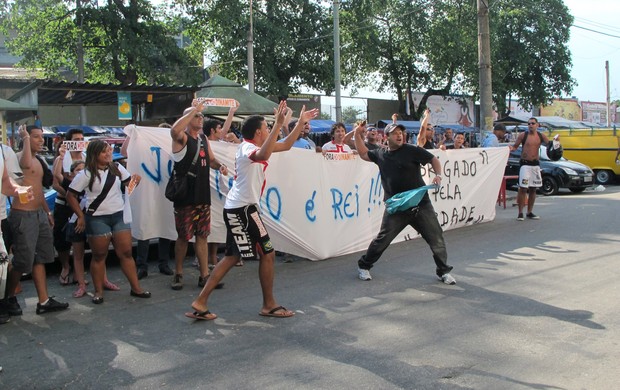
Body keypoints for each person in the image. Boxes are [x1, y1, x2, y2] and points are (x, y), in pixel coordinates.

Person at [188, 102, 319, 320]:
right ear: (258, 132)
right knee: (266, 252)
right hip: (243, 209)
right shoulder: (248, 148)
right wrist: (278, 125)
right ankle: (268, 304)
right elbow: (264, 155)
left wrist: (301, 122)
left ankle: (201, 301)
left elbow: (286, 145)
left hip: (240, 207)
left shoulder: (252, 146)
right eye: (266, 129)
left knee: (232, 256)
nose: (269, 132)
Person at [354, 122, 456, 285]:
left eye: (401, 132)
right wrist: (357, 135)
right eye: (395, 133)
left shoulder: (411, 150)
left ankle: (443, 272)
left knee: (436, 238)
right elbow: (363, 154)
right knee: (382, 240)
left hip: (421, 205)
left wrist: (438, 175)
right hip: (396, 207)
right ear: (386, 137)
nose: (399, 135)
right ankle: (364, 266)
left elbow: (433, 159)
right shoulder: (380, 154)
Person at [66, 140, 151, 304]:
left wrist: (136, 181)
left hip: (118, 215)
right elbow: (71, 195)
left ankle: (136, 288)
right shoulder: (85, 174)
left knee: (126, 253)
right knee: (99, 256)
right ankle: (98, 291)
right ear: (94, 154)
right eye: (104, 152)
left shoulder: (117, 168)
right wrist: (81, 216)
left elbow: (128, 187)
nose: (108, 154)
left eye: (109, 151)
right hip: (97, 218)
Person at [4, 125, 69, 315]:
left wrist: (47, 213)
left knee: (40, 257)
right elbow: (24, 165)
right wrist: (24, 139)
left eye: (42, 137)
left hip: (39, 213)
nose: (41, 140)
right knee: (23, 261)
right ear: (26, 138)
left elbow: (39, 190)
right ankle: (8, 297)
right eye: (35, 137)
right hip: (23, 214)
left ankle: (44, 300)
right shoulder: (19, 157)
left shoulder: (38, 160)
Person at [169, 99, 229, 291]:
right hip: (185, 196)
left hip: (202, 195)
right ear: (187, 118)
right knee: (183, 237)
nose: (200, 118)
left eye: (202, 115)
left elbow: (210, 160)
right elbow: (174, 131)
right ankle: (178, 273)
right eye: (196, 115)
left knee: (202, 236)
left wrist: (220, 166)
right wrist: (193, 109)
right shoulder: (182, 138)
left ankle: (205, 276)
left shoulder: (203, 140)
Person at [120, 129, 173, 280]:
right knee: (144, 226)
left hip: (163, 191)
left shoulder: (169, 146)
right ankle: (142, 265)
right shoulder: (141, 147)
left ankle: (164, 263)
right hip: (145, 192)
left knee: (165, 226)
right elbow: (125, 151)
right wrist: (132, 134)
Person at [0, 141, 30, 323]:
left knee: (3, 265)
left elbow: (6, 183)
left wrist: (19, 190)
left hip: (1, 217)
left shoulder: (3, 152)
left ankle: (3, 304)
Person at [52, 128, 85, 286]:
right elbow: (55, 182)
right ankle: (65, 267)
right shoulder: (62, 159)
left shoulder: (86, 157)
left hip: (81, 204)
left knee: (80, 238)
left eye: (81, 139)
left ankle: (79, 272)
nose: (79, 142)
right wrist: (69, 193)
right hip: (63, 205)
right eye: (76, 139)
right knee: (61, 239)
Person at [510, 118, 554, 221]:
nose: (530, 125)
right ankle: (520, 213)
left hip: (535, 165)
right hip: (525, 165)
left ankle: (529, 212)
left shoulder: (540, 136)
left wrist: (556, 144)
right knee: (523, 188)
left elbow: (550, 145)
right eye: (529, 123)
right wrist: (508, 149)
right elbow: (515, 147)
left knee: (533, 188)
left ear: (537, 125)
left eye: (533, 123)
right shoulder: (523, 135)